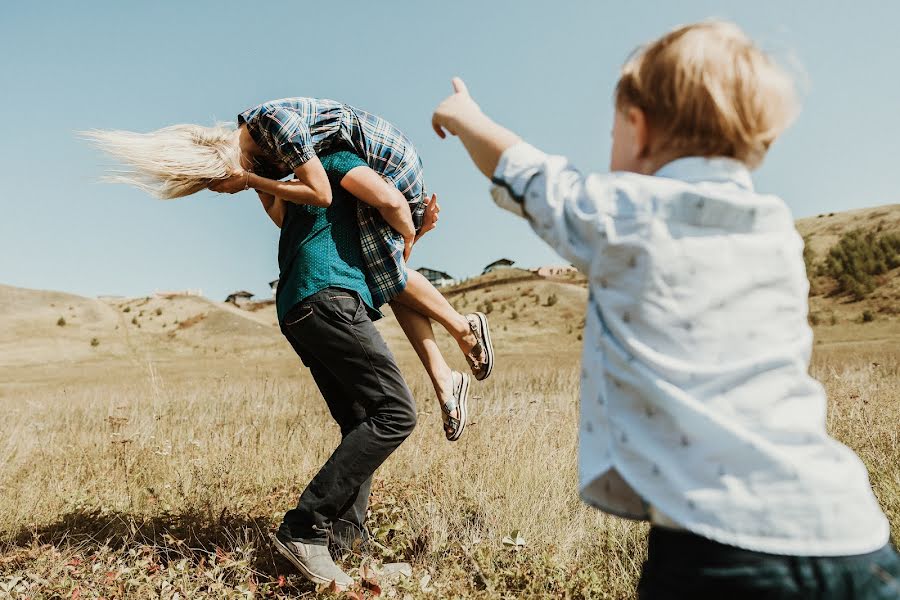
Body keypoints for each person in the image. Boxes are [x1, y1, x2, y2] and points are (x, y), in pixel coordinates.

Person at [431, 21, 900, 599]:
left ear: (638, 126)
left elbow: (528, 174)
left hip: (723, 548)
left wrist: (464, 115)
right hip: (855, 539)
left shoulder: (627, 213)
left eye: (610, 133)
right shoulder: (775, 229)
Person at [82, 99, 495, 440]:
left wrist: (410, 239)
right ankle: (446, 374)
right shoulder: (261, 167)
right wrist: (259, 184)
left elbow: (320, 192)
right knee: (384, 278)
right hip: (363, 182)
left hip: (388, 159)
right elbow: (290, 218)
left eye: (214, 184)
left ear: (222, 166)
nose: (220, 193)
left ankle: (462, 331)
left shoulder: (271, 125)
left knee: (388, 272)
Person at [266, 148, 422, 589]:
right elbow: (392, 203)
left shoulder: (301, 182)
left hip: (300, 307)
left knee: (361, 419)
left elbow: (284, 217)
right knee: (396, 413)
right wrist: (411, 232)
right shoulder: (335, 159)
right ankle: (304, 527)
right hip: (329, 296)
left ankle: (343, 547)